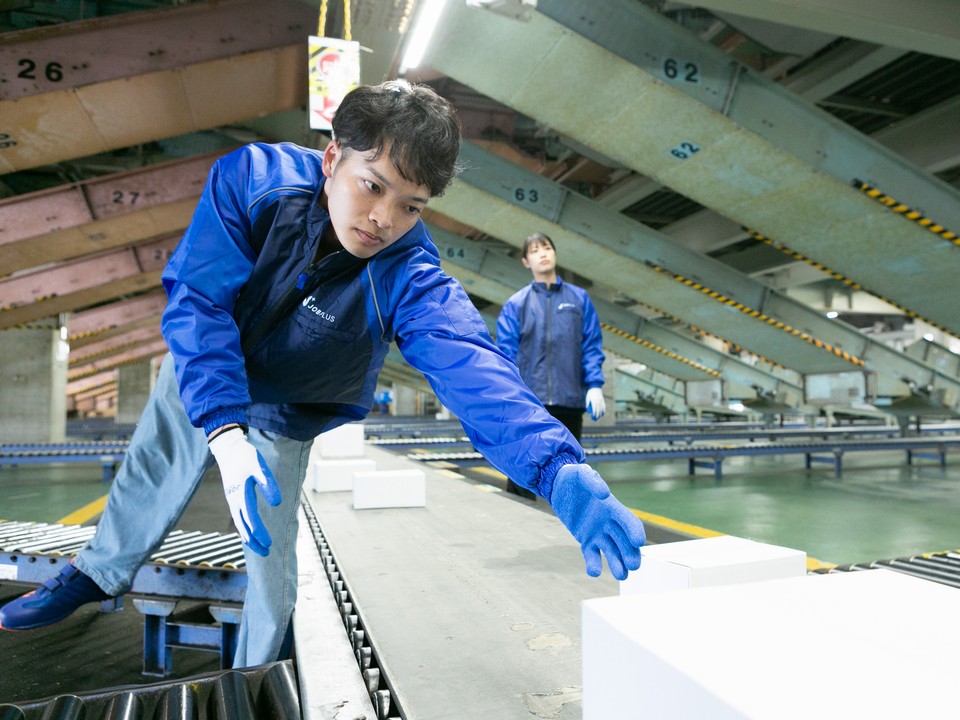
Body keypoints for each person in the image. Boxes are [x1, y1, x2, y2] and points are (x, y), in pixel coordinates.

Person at [0, 81, 644, 668]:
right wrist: (223, 435)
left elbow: (469, 362)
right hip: (208, 365)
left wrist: (558, 470)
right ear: (334, 159)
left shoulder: (406, 271)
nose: (383, 220)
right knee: (153, 466)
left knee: (269, 543)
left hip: (289, 403)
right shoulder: (254, 183)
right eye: (373, 185)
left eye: (411, 206)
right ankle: (95, 575)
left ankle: (259, 665)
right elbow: (199, 301)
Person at [495, 232, 606, 499]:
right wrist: (510, 396)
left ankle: (576, 530)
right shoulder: (516, 304)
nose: (542, 253)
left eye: (546, 248)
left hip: (569, 401)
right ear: (525, 262)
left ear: (555, 254)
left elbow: (591, 344)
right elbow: (506, 354)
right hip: (528, 404)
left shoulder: (579, 299)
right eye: (535, 250)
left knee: (572, 473)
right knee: (523, 473)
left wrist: (594, 385)